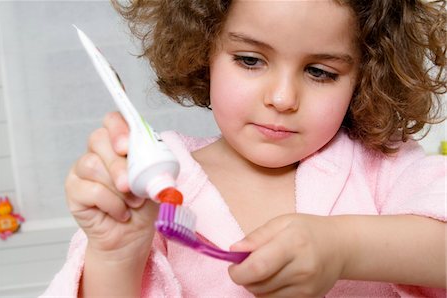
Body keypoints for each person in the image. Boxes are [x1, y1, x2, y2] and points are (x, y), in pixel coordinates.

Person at [43, 0, 446, 297]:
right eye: (251, 60)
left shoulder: (384, 167)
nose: (283, 97)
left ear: (366, 74)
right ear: (203, 51)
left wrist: (343, 247)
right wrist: (116, 256)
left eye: (320, 72)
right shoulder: (153, 184)